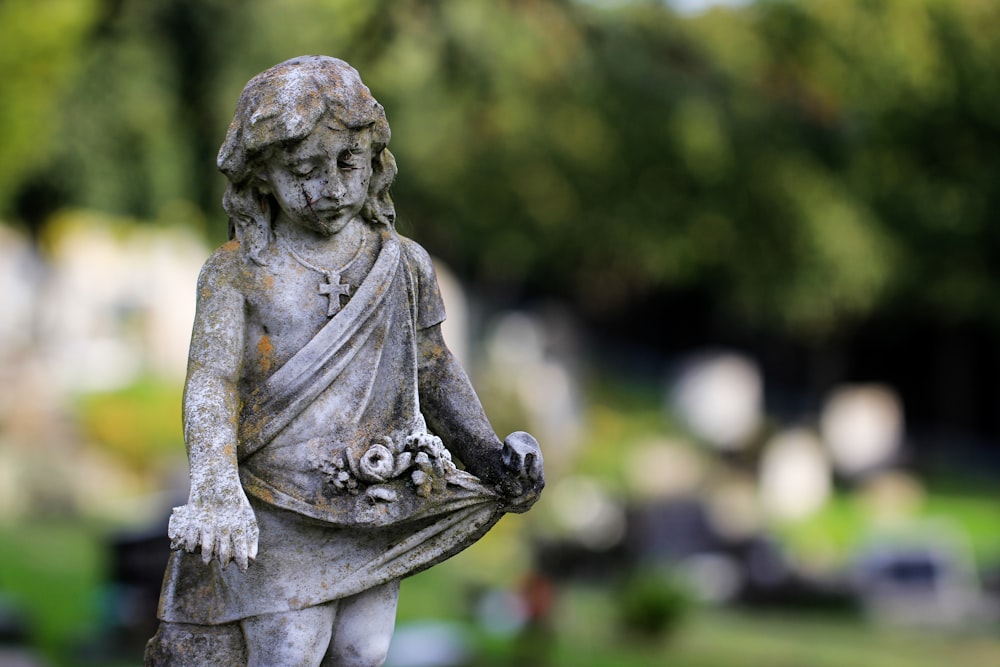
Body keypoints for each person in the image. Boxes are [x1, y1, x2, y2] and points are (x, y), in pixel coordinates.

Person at [145, 56, 544, 667]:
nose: (330, 188)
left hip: (373, 505)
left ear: (374, 164)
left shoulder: (403, 263)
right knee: (289, 652)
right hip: (273, 503)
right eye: (304, 170)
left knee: (363, 651)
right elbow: (211, 381)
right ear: (262, 177)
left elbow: (433, 368)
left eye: (348, 165)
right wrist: (216, 486)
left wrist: (490, 456)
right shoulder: (237, 272)